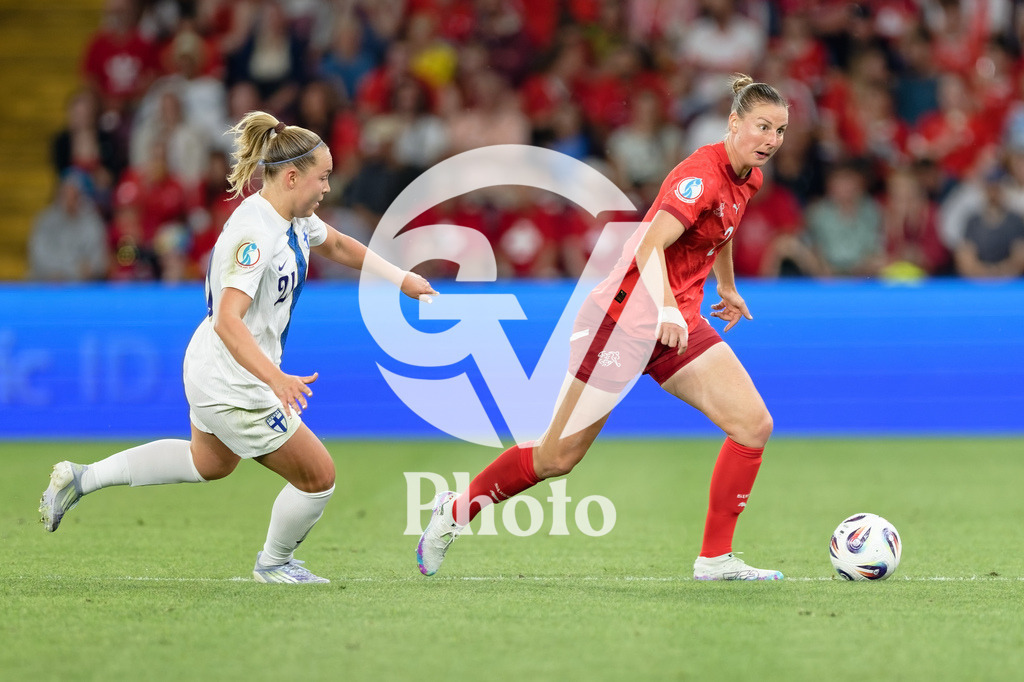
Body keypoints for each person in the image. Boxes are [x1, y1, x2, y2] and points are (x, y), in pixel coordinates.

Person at [417, 74, 789, 581]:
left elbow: (721, 229)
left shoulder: (748, 178)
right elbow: (648, 247)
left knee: (753, 425)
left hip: (675, 320)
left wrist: (725, 288)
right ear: (733, 123)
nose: (771, 140)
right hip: (622, 322)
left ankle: (715, 559)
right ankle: (455, 511)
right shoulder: (698, 175)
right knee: (556, 458)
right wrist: (663, 310)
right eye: (762, 127)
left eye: (780, 131)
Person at [39, 111, 437, 584]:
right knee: (318, 477)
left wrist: (400, 279)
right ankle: (273, 564)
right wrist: (276, 379)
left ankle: (80, 478)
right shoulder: (257, 234)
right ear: (292, 177)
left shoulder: (289, 216)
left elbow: (337, 245)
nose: (328, 188)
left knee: (208, 462)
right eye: (323, 177)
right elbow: (230, 320)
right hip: (236, 379)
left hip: (216, 365)